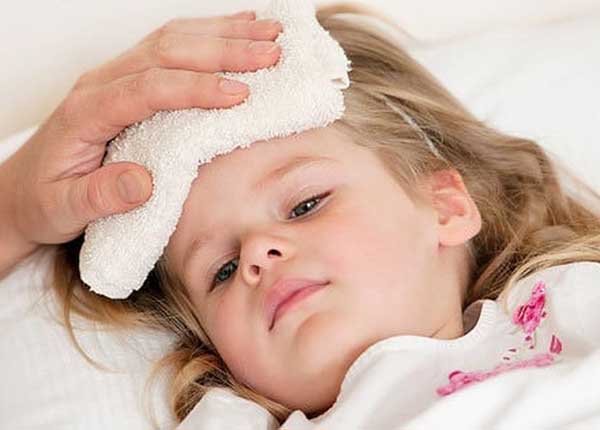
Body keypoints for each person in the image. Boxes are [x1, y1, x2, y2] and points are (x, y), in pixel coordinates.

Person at [1, 3, 599, 428]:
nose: (258, 254)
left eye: (305, 205)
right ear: (219, 354)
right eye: (222, 271)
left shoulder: (565, 303)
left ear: (445, 206)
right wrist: (13, 214)